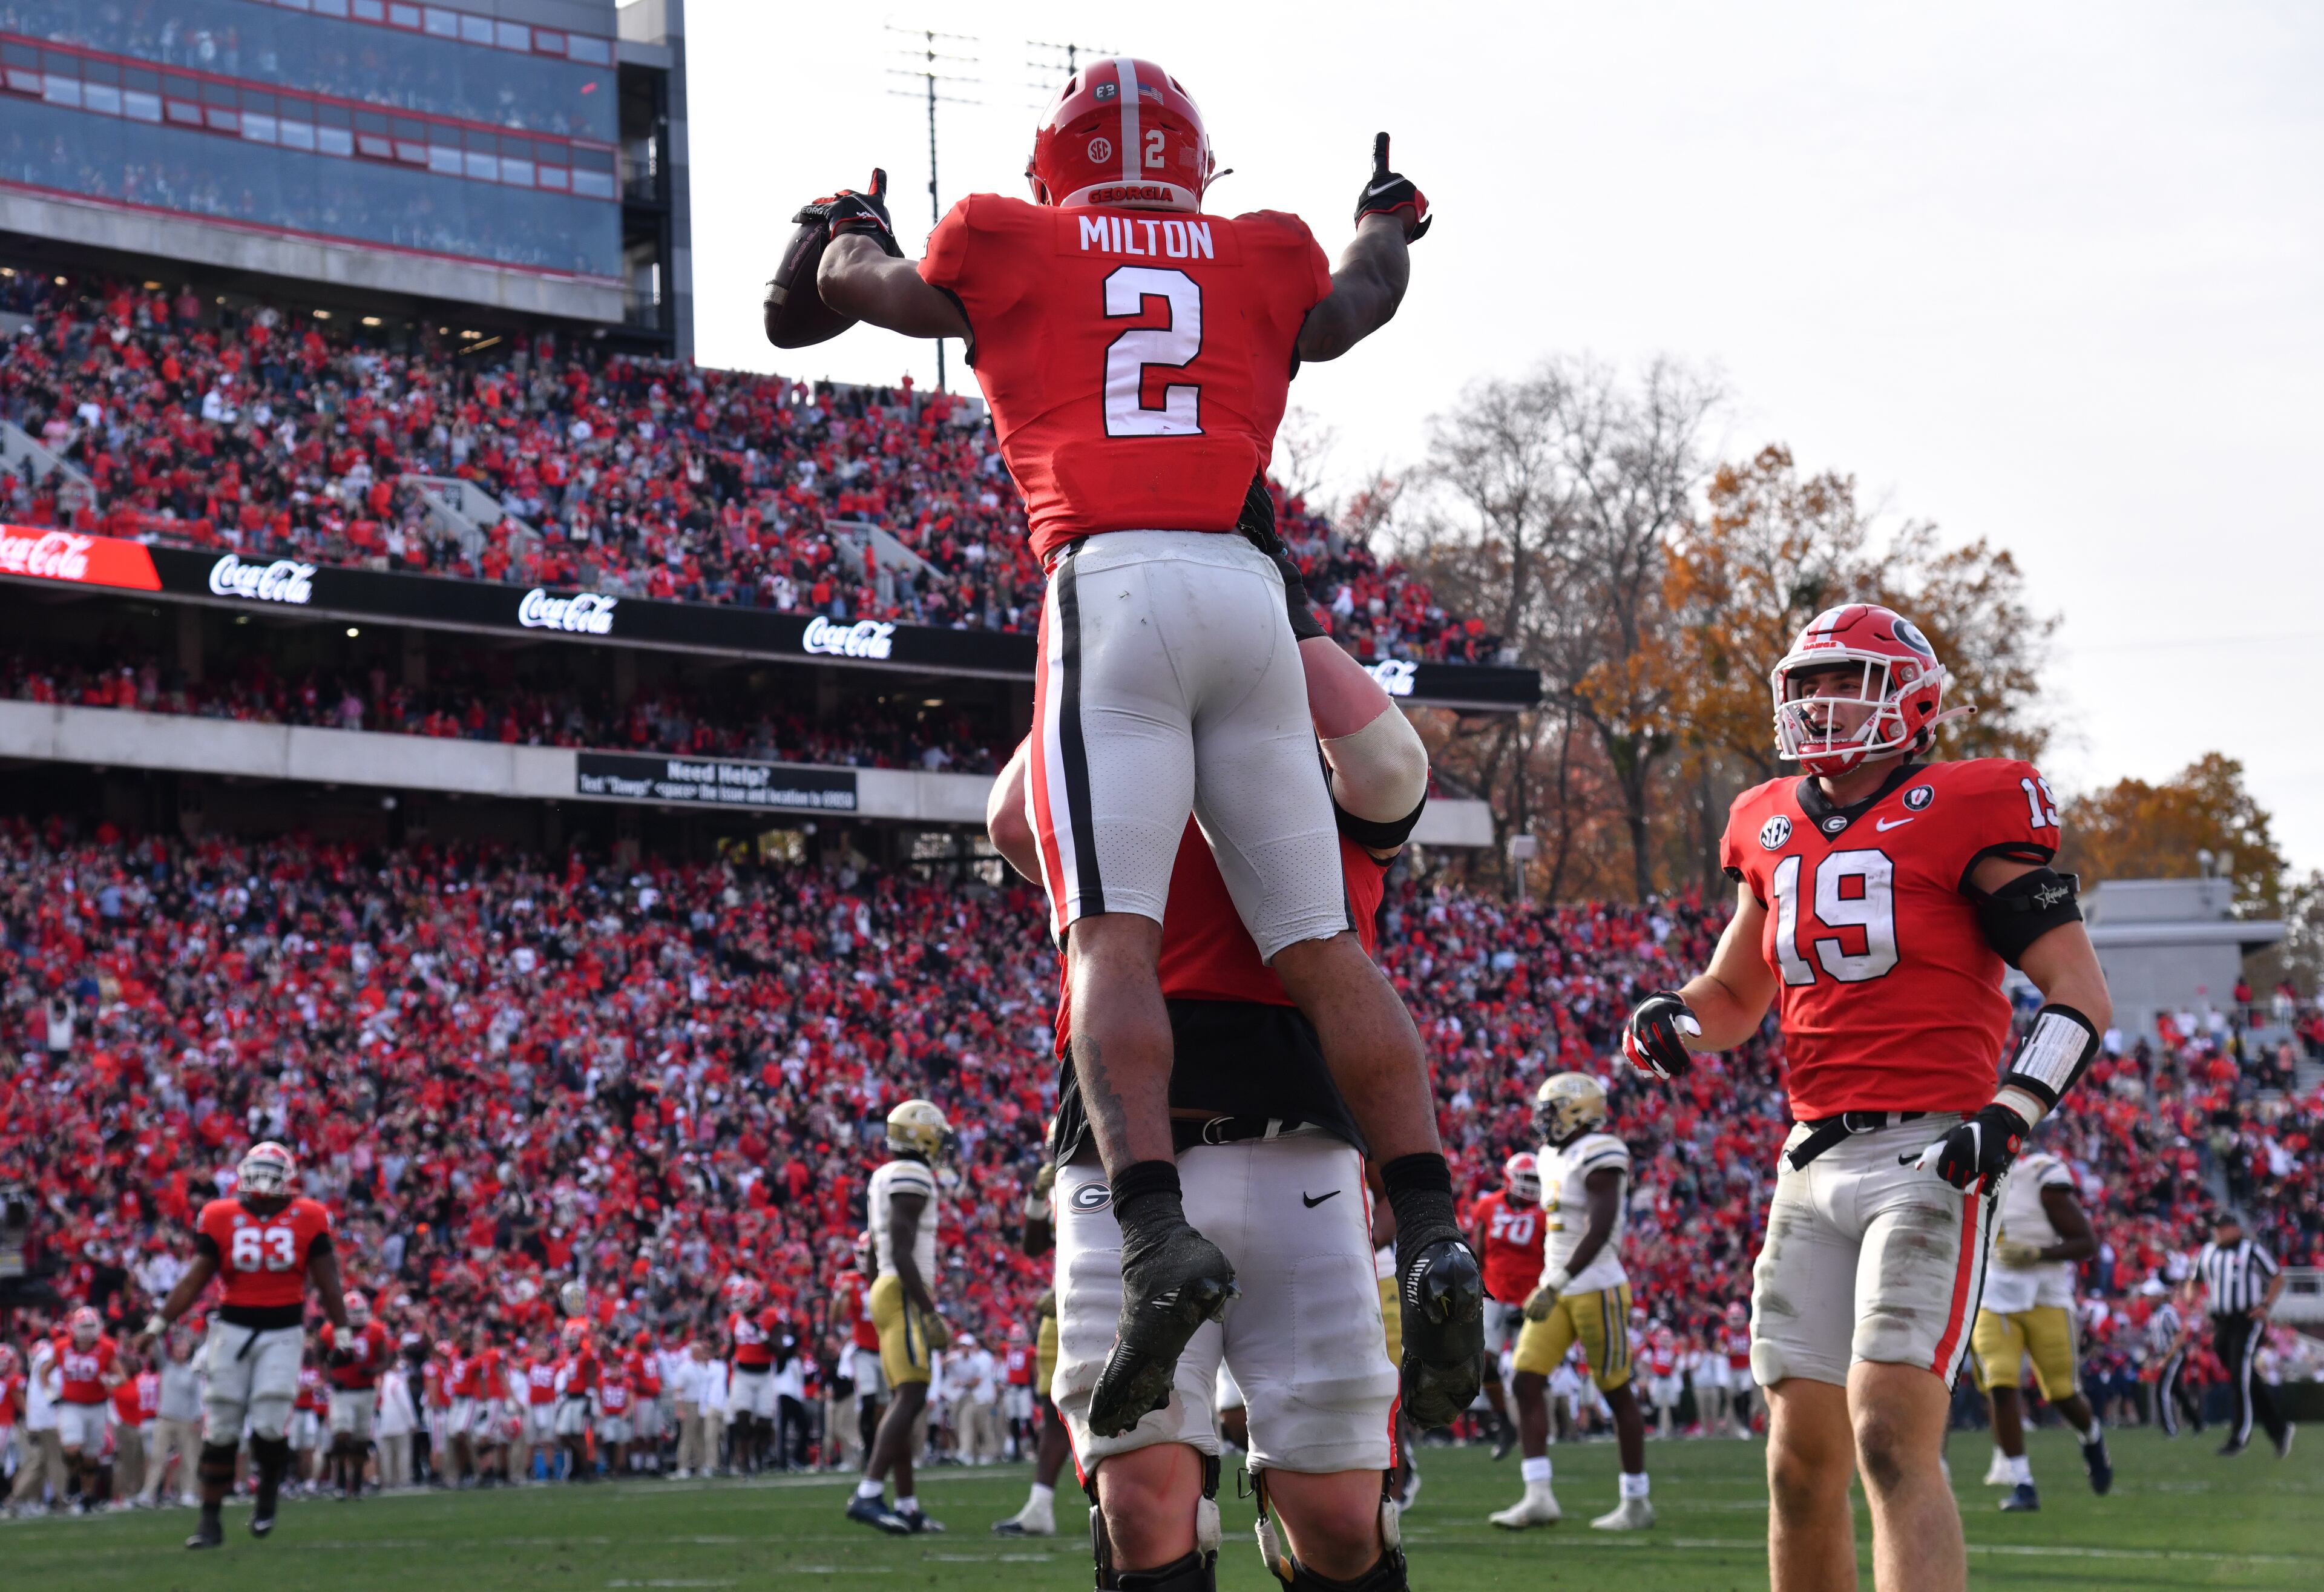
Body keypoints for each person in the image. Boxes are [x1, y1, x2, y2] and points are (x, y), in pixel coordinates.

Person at [808, 61, 1480, 1438]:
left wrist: (844, 233)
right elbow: (1357, 299)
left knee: (1109, 936)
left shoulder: (1007, 234)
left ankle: (1154, 1226)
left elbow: (856, 293)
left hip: (1105, 578)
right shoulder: (1260, 247)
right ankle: (1427, 1221)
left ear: (1054, 164)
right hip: (1247, 591)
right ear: (1195, 164)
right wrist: (1388, 218)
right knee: (1325, 949)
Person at [1619, 603, 2113, 1592]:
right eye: (1803, 684)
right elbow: (1734, 995)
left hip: (1934, 1154)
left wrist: (2011, 1111)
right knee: (1799, 1463)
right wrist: (1673, 1016)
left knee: (1889, 1432)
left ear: (1914, 698)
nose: (1817, 702)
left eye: (1843, 679)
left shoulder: (1972, 803)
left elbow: (2078, 992)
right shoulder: (1766, 819)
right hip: (1810, 1162)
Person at [983, 628, 1428, 1592]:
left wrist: (1254, 602)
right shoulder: (1116, 781)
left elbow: (1392, 763)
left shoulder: (1323, 782)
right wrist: (1104, 627)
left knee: (1345, 1521)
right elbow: (1015, 825)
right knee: (1140, 1501)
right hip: (1126, 1162)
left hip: (1297, 1150)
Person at [142, 1141, 347, 1548]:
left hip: (283, 1330)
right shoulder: (221, 1216)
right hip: (232, 1330)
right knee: (221, 1427)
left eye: (273, 1170)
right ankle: (209, 1521)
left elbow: (328, 1280)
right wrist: (159, 1322)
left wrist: (342, 1330)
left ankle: (268, 1487)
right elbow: (196, 1277)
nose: (265, 1179)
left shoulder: (308, 1216)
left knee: (270, 1421)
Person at [1492, 1073, 1655, 1533]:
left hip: (1596, 1285)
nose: (1543, 1120)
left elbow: (1600, 1229)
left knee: (1614, 1389)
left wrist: (1556, 1281)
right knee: (1525, 1380)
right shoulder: (1549, 1155)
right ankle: (1538, 1495)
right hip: (1557, 1286)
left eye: (1551, 1110)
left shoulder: (1601, 1151)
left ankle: (1636, 1499)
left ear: (1576, 1110)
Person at [1970, 1145, 2112, 1508]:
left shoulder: (2038, 1176)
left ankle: (2092, 1438)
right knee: (2000, 1384)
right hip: (1992, 1295)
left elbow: (2087, 1242)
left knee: (2061, 1392)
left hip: (2045, 1295)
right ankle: (2023, 1483)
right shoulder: (1962, 1170)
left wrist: (2038, 1253)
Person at [846, 1099, 953, 1534]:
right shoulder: (912, 1174)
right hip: (904, 1289)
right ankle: (869, 1492)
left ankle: (907, 1504)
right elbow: (903, 1250)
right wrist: (928, 1312)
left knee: (902, 1400)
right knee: (912, 1393)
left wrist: (878, 1288)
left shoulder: (883, 1175)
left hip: (887, 1287)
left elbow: (875, 1248)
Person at [2196, 1211, 2293, 1457]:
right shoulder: (2208, 1252)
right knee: (2244, 1377)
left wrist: (2265, 1306)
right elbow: (2195, 1280)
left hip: (2246, 1320)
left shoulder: (2251, 1250)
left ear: (2235, 1229)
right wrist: (2190, 1296)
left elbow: (2277, 1277)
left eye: (2223, 1228)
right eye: (2216, 1228)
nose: (2218, 1232)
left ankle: (2240, 1437)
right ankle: (2279, 1429)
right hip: (2222, 1322)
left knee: (2240, 1375)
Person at [1468, 1152, 1542, 1459]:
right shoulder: (1488, 1206)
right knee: (1484, 1361)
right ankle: (1504, 1423)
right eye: (1525, 1180)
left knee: (1532, 1372)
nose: (1530, 1187)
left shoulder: (1546, 1213)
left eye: (1535, 1181)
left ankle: (1535, 1433)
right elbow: (1479, 1249)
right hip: (1495, 1293)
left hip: (1532, 1297)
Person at [320, 1291, 392, 1498]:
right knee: (342, 1434)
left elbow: (386, 1359)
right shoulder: (331, 1330)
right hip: (342, 1392)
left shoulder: (376, 1330)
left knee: (361, 1440)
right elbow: (320, 1356)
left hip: (366, 1390)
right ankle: (341, 1482)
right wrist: (331, 1379)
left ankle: (358, 1483)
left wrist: (374, 1370)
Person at [54, 1305, 125, 1512]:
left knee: (91, 1456)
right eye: (83, 1327)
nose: (86, 1331)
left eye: (90, 1326)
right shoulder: (62, 1347)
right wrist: (50, 1390)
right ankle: (74, 1484)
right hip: (71, 1405)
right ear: (74, 1327)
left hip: (97, 1406)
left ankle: (87, 1496)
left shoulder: (107, 1347)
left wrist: (112, 1381)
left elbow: (121, 1377)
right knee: (72, 1448)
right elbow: (45, 1370)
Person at [140, 1327, 203, 1507]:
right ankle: (148, 1492)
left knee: (189, 1458)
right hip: (165, 1418)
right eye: (179, 1349)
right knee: (158, 1457)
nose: (182, 1353)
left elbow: (196, 1397)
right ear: (174, 1350)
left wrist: (197, 1418)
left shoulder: (193, 1370)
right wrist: (159, 1327)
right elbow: (157, 1346)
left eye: (185, 1350)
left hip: (186, 1420)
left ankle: (188, 1492)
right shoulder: (166, 1366)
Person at [2147, 1283, 2203, 1438]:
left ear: (2158, 1297)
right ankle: (2197, 1423)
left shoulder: (2167, 1313)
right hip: (2165, 1356)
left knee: (2162, 1391)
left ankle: (2170, 1429)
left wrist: (2166, 1358)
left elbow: (2180, 1336)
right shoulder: (2154, 1315)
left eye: (2150, 1297)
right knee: (2177, 1391)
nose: (2147, 1300)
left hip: (2174, 1356)